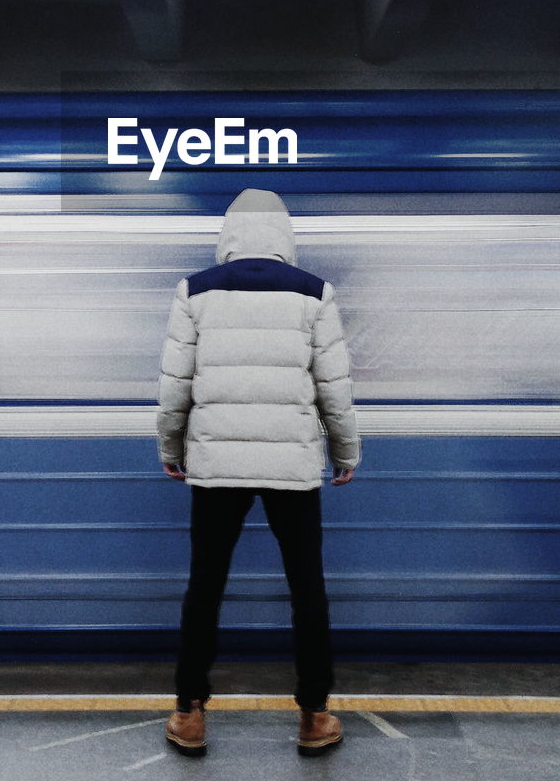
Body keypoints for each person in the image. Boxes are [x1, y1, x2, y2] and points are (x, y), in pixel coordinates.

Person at [157, 188, 361, 758]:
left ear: (228, 234)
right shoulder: (314, 293)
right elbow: (334, 390)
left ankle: (189, 712)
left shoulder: (194, 291)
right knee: (306, 591)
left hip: (217, 464)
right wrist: (345, 453)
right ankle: (315, 715)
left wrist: (171, 448)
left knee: (205, 587)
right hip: (290, 466)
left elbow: (175, 387)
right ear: (285, 235)